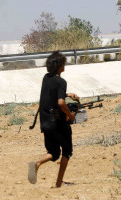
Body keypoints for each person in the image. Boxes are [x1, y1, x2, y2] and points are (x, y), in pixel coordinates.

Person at [28, 51, 79, 188]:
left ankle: (38, 163)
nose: (65, 66)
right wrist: (71, 115)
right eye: (63, 63)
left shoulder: (46, 78)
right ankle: (59, 182)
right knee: (67, 151)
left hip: (45, 121)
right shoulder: (61, 81)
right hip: (58, 122)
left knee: (54, 153)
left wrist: (68, 94)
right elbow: (61, 103)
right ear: (59, 65)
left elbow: (52, 94)